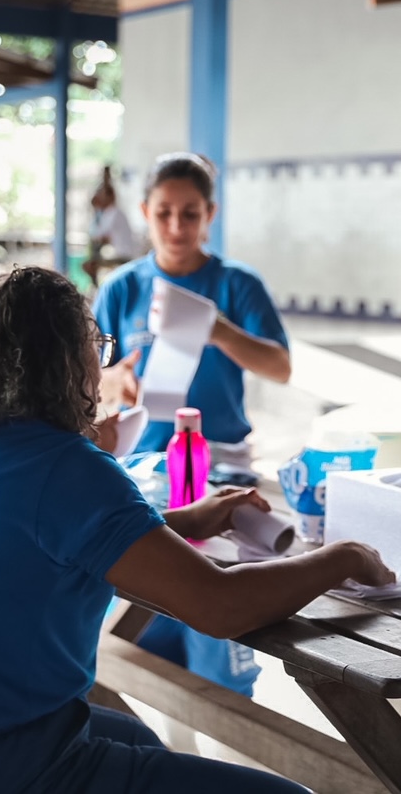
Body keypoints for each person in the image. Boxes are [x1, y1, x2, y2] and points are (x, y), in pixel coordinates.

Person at [0, 265, 393, 793]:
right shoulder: (64, 466)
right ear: (68, 362)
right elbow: (220, 607)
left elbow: (38, 543)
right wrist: (343, 557)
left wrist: (179, 520)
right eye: (96, 347)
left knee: (135, 736)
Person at [94, 152, 292, 696]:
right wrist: (118, 380)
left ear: (211, 214)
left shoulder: (235, 285)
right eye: (163, 214)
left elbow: (280, 365)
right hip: (141, 473)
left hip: (222, 467)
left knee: (218, 620)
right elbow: (96, 377)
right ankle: (164, 729)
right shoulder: (123, 289)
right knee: (146, 623)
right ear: (144, 212)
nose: (176, 227)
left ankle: (226, 712)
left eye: (189, 214)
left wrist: (220, 331)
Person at [81, 167, 141, 287]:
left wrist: (96, 210)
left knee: (90, 265)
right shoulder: (109, 213)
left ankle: (97, 290)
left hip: (124, 257)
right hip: (120, 254)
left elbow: (97, 236)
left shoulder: (114, 213)